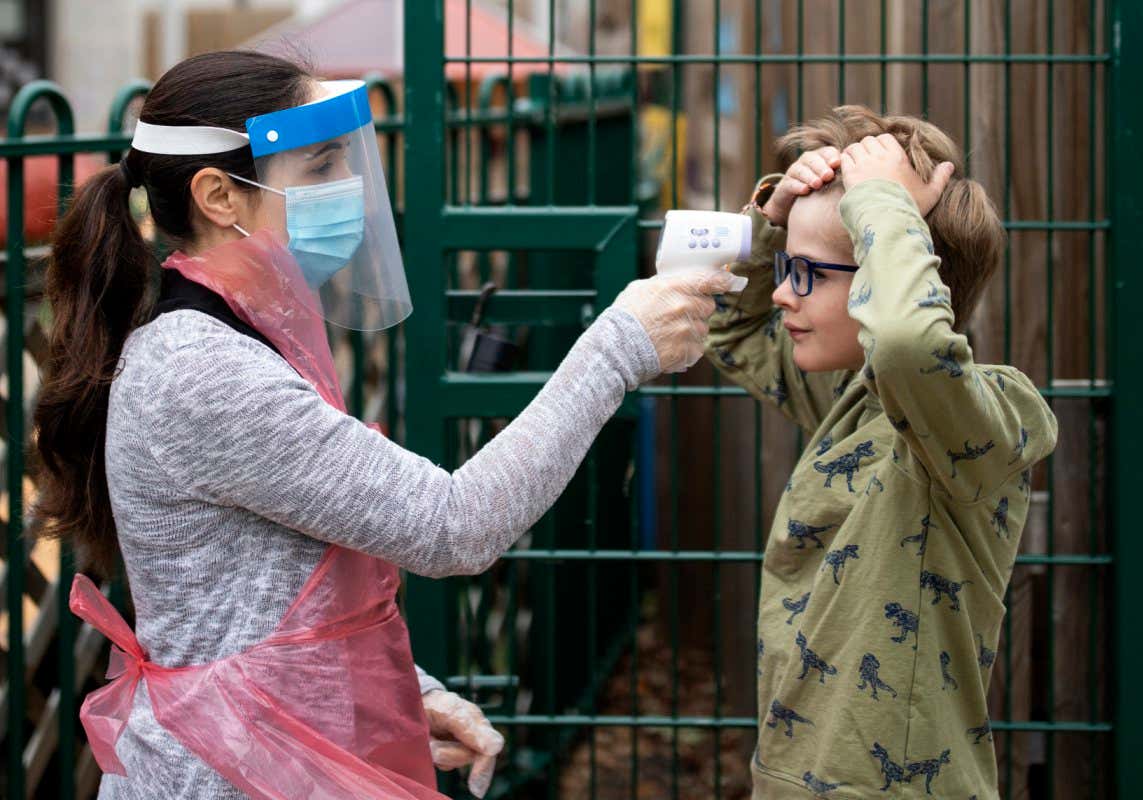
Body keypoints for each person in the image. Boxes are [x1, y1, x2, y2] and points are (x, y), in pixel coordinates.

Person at [31, 50, 734, 800]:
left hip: (271, 755)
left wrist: (411, 693)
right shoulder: (202, 368)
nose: (353, 189)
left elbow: (269, 590)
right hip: (229, 772)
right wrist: (617, 347)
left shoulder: (244, 335)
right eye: (323, 166)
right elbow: (453, 525)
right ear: (218, 196)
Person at [706, 105, 1058, 798]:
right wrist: (773, 217)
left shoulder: (979, 419)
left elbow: (907, 341)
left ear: (890, 269)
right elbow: (728, 328)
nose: (782, 292)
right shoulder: (854, 400)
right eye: (783, 266)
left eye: (809, 272)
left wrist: (882, 205)